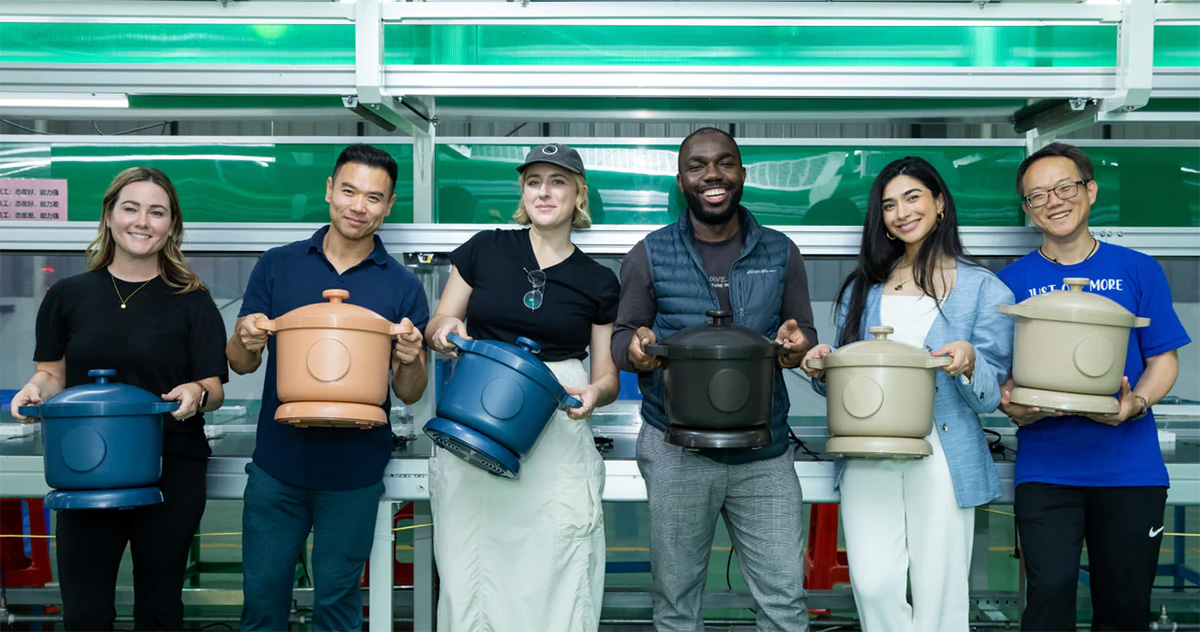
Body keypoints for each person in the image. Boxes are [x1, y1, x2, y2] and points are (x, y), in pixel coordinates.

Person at [612, 128, 816, 632]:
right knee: (676, 601)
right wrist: (637, 350)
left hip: (764, 451)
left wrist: (797, 344)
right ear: (681, 180)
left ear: (742, 173)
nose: (712, 175)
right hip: (676, 449)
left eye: (724, 163)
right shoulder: (649, 253)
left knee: (784, 599)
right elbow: (622, 338)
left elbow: (803, 332)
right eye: (697, 166)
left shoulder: (780, 251)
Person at [801, 156, 1014, 631]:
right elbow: (850, 383)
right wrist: (823, 367)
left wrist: (970, 362)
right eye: (889, 205)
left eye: (912, 197)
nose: (902, 212)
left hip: (943, 452)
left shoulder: (984, 289)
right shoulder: (866, 288)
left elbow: (989, 398)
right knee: (873, 584)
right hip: (867, 452)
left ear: (940, 204)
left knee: (940, 593)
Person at [10, 167, 228, 631]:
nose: (142, 221)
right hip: (87, 465)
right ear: (109, 216)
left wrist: (196, 392)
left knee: (159, 609)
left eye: (157, 212)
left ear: (171, 225)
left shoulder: (193, 300)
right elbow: (51, 375)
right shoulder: (67, 296)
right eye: (131, 208)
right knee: (85, 613)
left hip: (172, 466)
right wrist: (35, 390)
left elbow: (213, 387)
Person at [226, 144, 429, 631]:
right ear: (329, 190)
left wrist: (409, 355)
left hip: (355, 472)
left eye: (373, 198)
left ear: (389, 205)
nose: (359, 207)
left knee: (337, 605)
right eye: (349, 191)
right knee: (262, 599)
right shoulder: (278, 266)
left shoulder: (403, 286)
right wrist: (245, 337)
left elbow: (410, 391)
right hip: (278, 465)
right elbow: (240, 363)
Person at [424, 143, 620, 631]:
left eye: (558, 182)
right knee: (471, 565)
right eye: (534, 182)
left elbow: (607, 376)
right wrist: (445, 332)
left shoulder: (597, 281)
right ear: (523, 192)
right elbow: (441, 321)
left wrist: (594, 395)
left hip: (554, 420)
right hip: (479, 412)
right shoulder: (485, 249)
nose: (544, 192)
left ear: (579, 194)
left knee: (558, 557)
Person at [998, 143, 1190, 632]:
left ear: (1091, 191)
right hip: (1047, 471)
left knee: (1124, 608)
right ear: (1027, 209)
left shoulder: (1138, 269)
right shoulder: (1011, 282)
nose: (1053, 202)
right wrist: (1012, 405)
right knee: (1048, 598)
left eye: (1065, 188)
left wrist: (1135, 404)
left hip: (1130, 470)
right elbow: (1001, 376)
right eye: (1038, 195)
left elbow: (1163, 360)